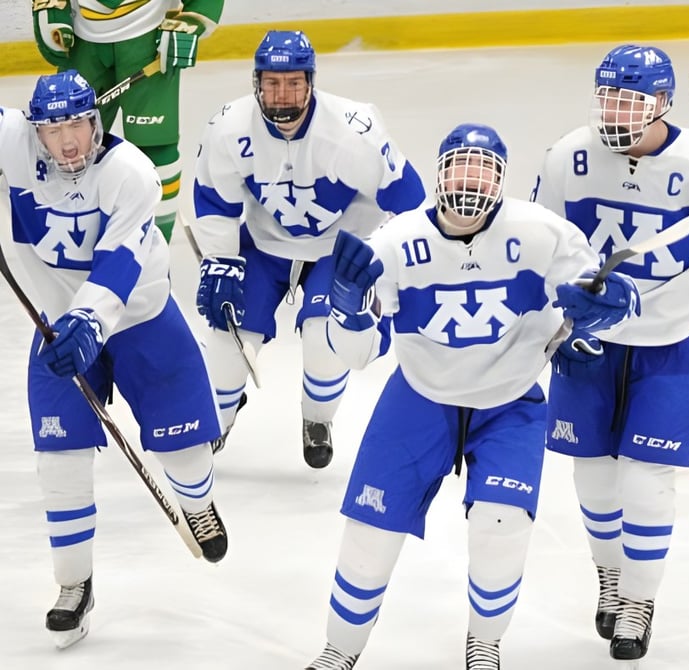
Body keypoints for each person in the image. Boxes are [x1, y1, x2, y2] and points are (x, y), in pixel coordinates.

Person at [304, 123, 639, 670]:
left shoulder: (543, 233)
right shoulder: (394, 241)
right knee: (368, 537)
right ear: (439, 174)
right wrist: (346, 310)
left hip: (510, 402)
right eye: (459, 168)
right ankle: (339, 649)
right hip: (419, 397)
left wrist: (608, 310)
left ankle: (484, 644)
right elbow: (357, 355)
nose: (469, 183)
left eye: (482, 172)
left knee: (501, 528)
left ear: (502, 181)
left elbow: (605, 306)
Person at [531, 45, 689, 663]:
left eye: (630, 101)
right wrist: (557, 320)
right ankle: (610, 576)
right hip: (591, 337)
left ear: (661, 103)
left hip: (673, 336)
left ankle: (638, 601)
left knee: (645, 480)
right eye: (608, 98)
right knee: (592, 475)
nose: (615, 113)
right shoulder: (568, 157)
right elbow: (540, 248)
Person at [0, 70, 228, 649]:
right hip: (58, 327)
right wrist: (70, 325)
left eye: (77, 125)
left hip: (140, 318)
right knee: (60, 460)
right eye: (53, 130)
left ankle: (198, 502)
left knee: (185, 447)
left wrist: (88, 323)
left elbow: (120, 262)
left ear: (96, 122)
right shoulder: (13, 142)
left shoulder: (131, 173)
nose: (67, 141)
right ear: (35, 132)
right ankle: (74, 584)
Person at [191, 30, 426, 468]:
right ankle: (216, 419)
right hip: (264, 246)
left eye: (293, 83)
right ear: (256, 83)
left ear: (311, 83)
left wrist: (391, 268)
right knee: (227, 343)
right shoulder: (229, 127)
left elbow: (410, 203)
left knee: (324, 338)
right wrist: (220, 261)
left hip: (340, 247)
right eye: (272, 83)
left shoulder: (353, 131)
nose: (283, 94)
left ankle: (317, 419)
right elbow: (215, 201)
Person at [32, 0, 225, 242]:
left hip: (147, 39)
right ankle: (69, 231)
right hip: (83, 43)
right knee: (67, 141)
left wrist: (191, 21)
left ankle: (155, 241)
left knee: (154, 147)